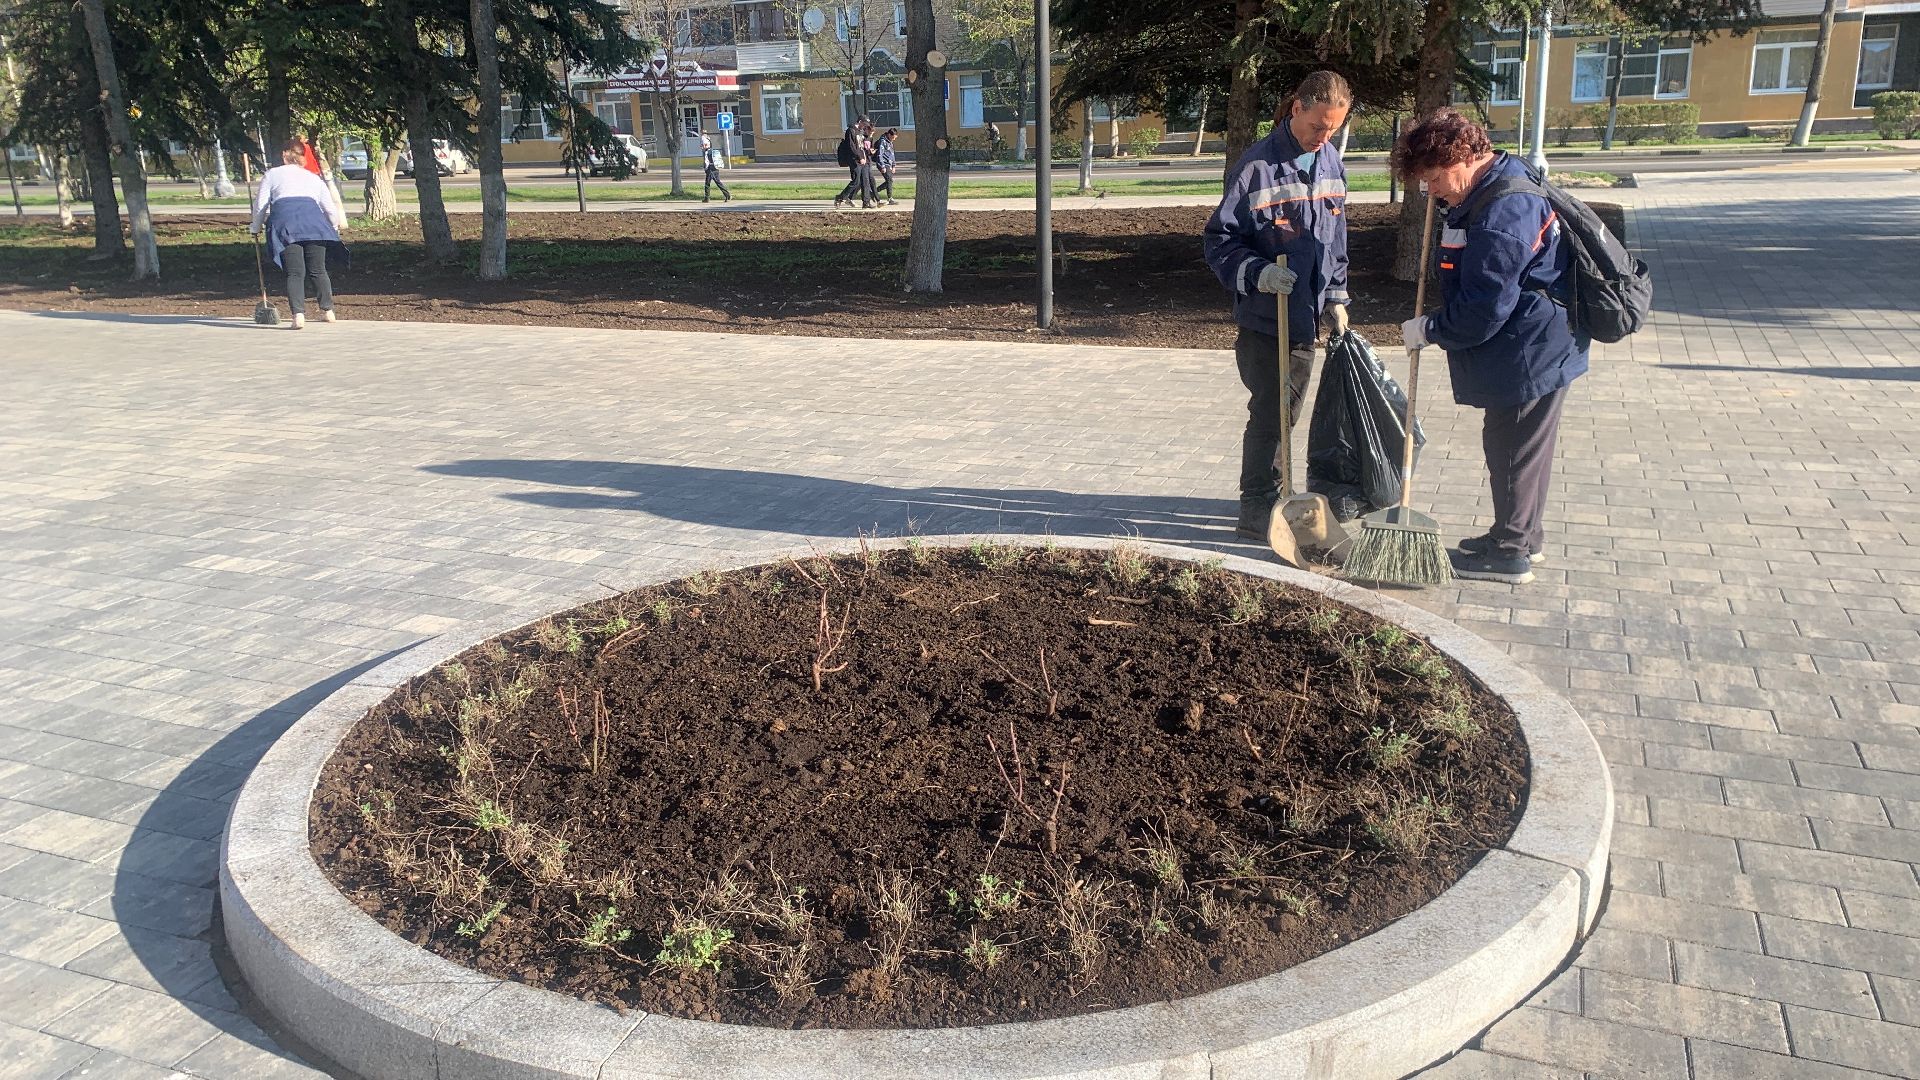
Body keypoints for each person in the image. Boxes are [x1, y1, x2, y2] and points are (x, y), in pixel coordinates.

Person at [1391, 108, 1588, 585]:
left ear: (1462, 157)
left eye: (1435, 179)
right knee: (1525, 446)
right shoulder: (1496, 179)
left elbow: (1484, 308)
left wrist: (1431, 329)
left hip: (1528, 349)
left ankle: (1510, 553)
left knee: (1512, 448)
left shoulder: (1503, 212)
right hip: (1538, 340)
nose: (1431, 191)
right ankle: (1521, 535)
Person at [1201, 71, 1353, 542]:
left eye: (1334, 129)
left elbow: (1336, 238)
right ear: (1296, 109)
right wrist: (1257, 273)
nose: (1324, 137)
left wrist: (1336, 296)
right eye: (1318, 127)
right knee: (1270, 411)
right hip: (1267, 318)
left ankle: (1280, 491)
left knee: (1289, 411)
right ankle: (1256, 504)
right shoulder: (1257, 167)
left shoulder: (1330, 161)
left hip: (1306, 317)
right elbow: (1220, 240)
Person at [250, 137, 349, 331]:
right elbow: (329, 207)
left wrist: (255, 226)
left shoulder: (272, 174)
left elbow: (261, 205)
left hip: (286, 226)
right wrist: (334, 226)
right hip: (315, 225)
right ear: (302, 157)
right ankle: (328, 311)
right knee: (318, 269)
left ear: (284, 155)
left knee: (295, 272)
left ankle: (298, 316)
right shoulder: (313, 177)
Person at [833, 117, 875, 210]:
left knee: (865, 181)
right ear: (860, 122)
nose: (864, 127)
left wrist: (867, 153)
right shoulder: (851, 131)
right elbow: (851, 146)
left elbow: (862, 145)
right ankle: (840, 198)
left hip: (863, 159)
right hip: (854, 160)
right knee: (856, 181)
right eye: (864, 124)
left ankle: (866, 202)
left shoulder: (861, 132)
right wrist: (859, 157)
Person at [700, 132, 731, 203]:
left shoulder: (707, 152)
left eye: (703, 145)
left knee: (707, 184)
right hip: (715, 169)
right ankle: (727, 195)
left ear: (707, 145)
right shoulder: (712, 151)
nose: (702, 146)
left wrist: (705, 168)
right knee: (718, 182)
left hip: (710, 169)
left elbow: (706, 162)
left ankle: (707, 198)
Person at [873, 127, 899, 205]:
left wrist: (894, 165)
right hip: (884, 163)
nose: (893, 139)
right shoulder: (883, 141)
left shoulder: (890, 142)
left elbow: (892, 154)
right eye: (893, 137)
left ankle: (874, 192)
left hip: (889, 164)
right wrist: (882, 166)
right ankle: (890, 198)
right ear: (889, 135)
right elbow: (879, 154)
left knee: (889, 181)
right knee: (889, 180)